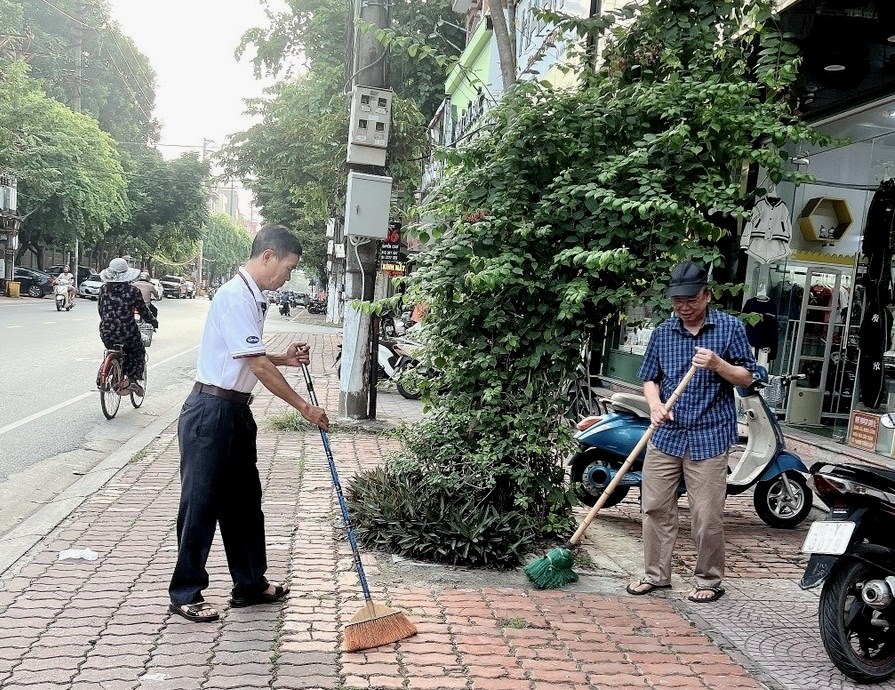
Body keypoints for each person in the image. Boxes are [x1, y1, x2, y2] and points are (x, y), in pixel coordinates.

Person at [168, 224, 329, 624]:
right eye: (288, 268)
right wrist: (304, 407)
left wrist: (286, 360)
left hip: (234, 412)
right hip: (210, 412)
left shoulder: (253, 298)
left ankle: (250, 583)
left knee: (244, 502)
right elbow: (254, 364)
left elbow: (248, 353)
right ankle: (186, 591)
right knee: (200, 504)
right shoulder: (236, 296)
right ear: (268, 256)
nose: (288, 277)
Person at [626, 260, 756, 604]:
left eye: (691, 300)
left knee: (707, 514)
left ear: (707, 295)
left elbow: (747, 377)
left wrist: (717, 364)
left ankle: (709, 580)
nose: (684, 308)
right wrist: (655, 404)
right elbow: (649, 378)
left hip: (710, 435)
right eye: (677, 301)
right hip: (667, 434)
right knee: (654, 506)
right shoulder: (663, 332)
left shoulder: (730, 329)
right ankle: (656, 576)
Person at [98, 258, 159, 396]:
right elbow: (143, 311)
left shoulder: (103, 289)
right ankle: (133, 379)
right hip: (128, 331)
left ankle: (111, 367)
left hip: (106, 331)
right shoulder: (133, 291)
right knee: (138, 352)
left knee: (113, 347)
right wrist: (153, 321)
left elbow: (101, 311)